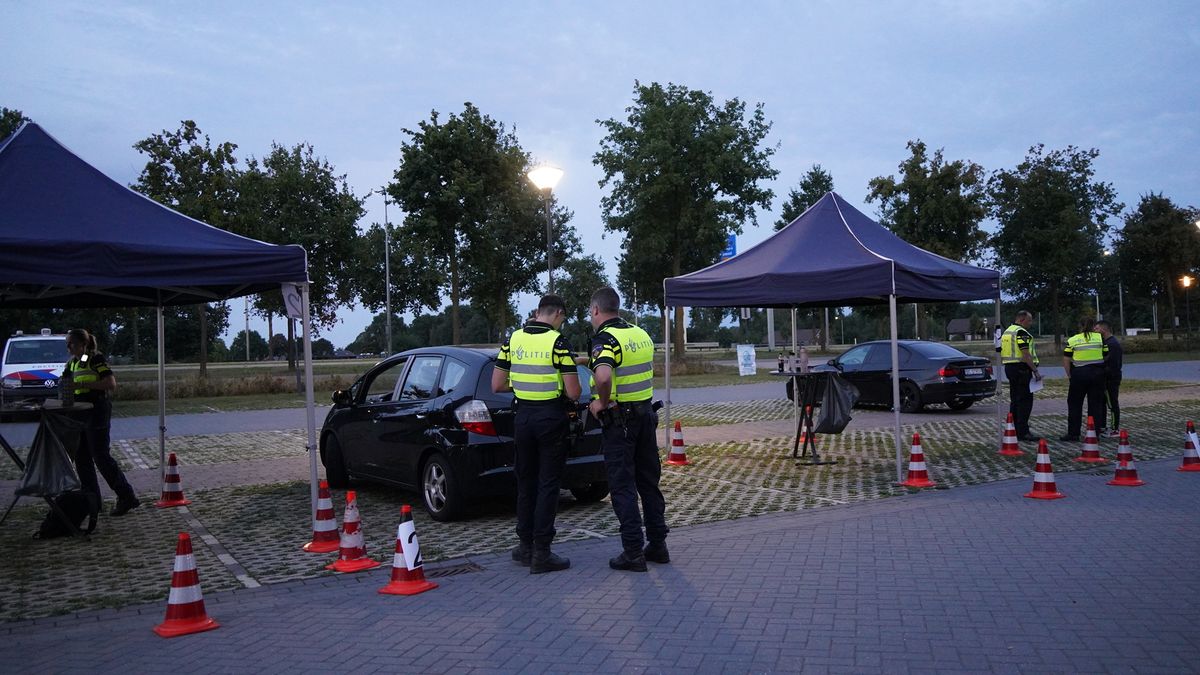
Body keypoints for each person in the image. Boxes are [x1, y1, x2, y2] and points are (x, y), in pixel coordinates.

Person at [491, 295, 580, 575]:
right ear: (558, 314)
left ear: (538, 312)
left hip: (523, 417)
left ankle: (524, 546)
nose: (562, 324)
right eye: (563, 319)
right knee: (548, 484)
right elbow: (574, 392)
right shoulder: (558, 342)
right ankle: (542, 552)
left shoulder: (513, 340)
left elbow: (497, 385)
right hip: (551, 418)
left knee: (525, 481)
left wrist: (520, 387)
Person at [585, 287, 669, 572]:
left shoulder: (604, 339)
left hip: (620, 421)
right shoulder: (639, 334)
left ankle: (633, 552)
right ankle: (658, 544)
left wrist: (601, 403)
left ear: (596, 310)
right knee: (649, 482)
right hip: (646, 415)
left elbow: (604, 375)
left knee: (622, 485)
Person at [65, 328, 140, 517]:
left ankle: (126, 496)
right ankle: (92, 502)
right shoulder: (77, 362)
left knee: (100, 456)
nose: (68, 347)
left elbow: (110, 383)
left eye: (71, 343)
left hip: (97, 410)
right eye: (67, 343)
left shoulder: (96, 358)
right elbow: (67, 380)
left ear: (83, 344)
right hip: (79, 413)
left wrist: (82, 385)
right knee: (82, 458)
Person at [1061, 317, 1109, 441]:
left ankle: (1073, 433)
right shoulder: (1100, 338)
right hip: (1097, 374)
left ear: (1080, 326)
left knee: (1075, 404)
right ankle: (1094, 433)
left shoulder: (1073, 340)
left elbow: (1066, 359)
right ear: (1094, 326)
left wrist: (1070, 375)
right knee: (1095, 404)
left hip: (1079, 374)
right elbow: (1106, 354)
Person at [999, 311, 1042, 442]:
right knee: (1025, 401)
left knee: (1015, 400)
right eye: (1029, 320)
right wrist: (1035, 370)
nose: (1031, 323)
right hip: (1022, 369)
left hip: (1009, 367)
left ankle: (1013, 428)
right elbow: (1025, 354)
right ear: (1022, 320)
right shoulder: (1021, 332)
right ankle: (1023, 431)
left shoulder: (1007, 331)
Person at [1095, 320, 1123, 437]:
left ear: (1103, 329)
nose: (1095, 331)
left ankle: (1115, 429)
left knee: (1112, 404)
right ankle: (1102, 426)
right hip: (1105, 379)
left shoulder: (1112, 344)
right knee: (1102, 403)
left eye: (1096, 329)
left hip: (1111, 379)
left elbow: (1114, 365)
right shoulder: (1106, 342)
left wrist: (1105, 374)